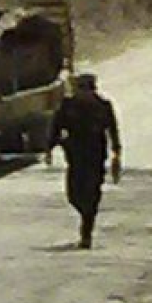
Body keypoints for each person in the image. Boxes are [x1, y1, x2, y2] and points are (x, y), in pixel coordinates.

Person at [46, 73, 122, 249]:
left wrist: (116, 153)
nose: (82, 93)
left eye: (86, 89)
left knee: (93, 192)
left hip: (96, 155)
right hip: (75, 156)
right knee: (73, 194)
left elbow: (112, 130)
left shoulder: (103, 106)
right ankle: (85, 214)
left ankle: (87, 229)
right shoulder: (68, 106)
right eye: (80, 89)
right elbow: (57, 126)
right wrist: (50, 147)